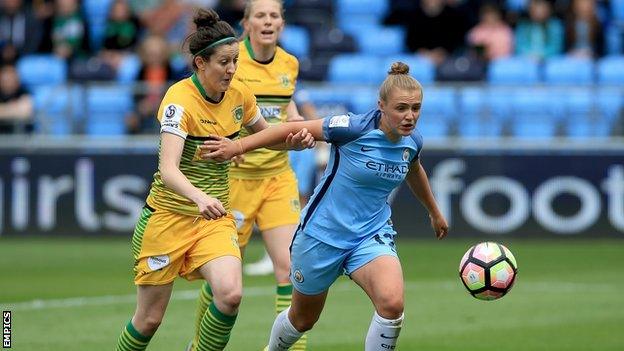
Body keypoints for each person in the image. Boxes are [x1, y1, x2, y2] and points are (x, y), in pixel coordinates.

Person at [200, 61, 449, 351]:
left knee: (392, 305)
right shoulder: (351, 127)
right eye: (401, 108)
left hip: (370, 234)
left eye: (416, 108)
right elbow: (285, 130)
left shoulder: (413, 141)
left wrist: (434, 211)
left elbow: (413, 169)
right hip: (322, 235)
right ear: (381, 105)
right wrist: (236, 147)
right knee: (302, 319)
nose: (410, 116)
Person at [113, 9, 313, 351]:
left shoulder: (240, 95)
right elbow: (169, 170)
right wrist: (199, 198)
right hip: (168, 218)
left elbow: (265, 137)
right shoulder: (179, 100)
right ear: (200, 63)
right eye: (224, 62)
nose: (232, 70)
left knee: (231, 295)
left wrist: (294, 140)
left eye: (235, 61)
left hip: (214, 220)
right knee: (149, 320)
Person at [189, 1, 310, 350]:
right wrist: (230, 144)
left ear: (282, 24)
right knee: (220, 279)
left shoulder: (290, 64)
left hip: (277, 177)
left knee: (291, 270)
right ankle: (200, 344)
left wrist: (297, 124)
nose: (268, 21)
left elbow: (286, 108)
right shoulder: (230, 61)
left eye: (274, 15)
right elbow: (213, 106)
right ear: (247, 24)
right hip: (235, 183)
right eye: (260, 15)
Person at [0, 63, 33, 133]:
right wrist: (14, 107)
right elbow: (19, 111)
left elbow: (25, 113)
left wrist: (3, 109)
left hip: (19, 138)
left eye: (12, 78)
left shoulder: (24, 92)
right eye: (6, 79)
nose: (9, 81)